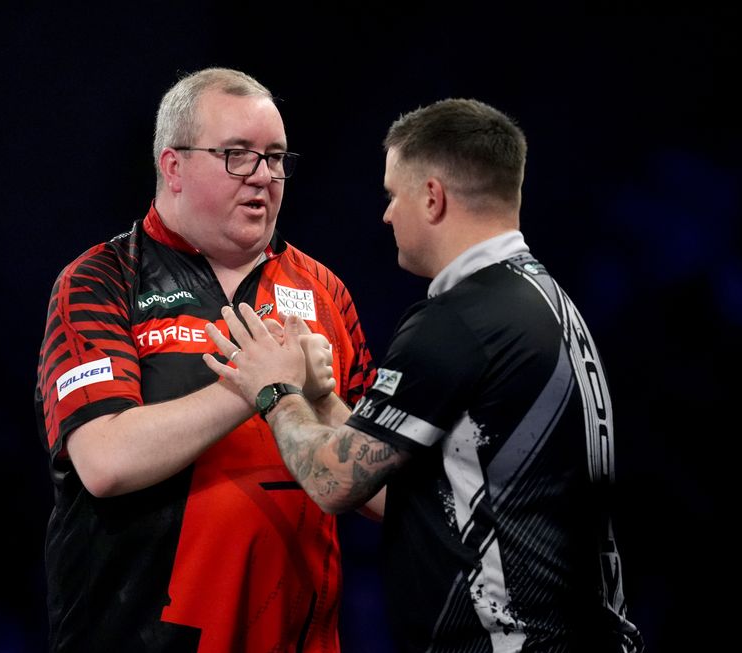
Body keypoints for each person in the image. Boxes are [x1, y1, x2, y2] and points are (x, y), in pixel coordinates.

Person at [204, 99, 644, 652]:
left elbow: (333, 483)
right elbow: (420, 488)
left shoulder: (458, 323)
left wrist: (275, 390)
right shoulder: (547, 304)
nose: (387, 215)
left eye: (394, 195)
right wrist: (321, 399)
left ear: (433, 197)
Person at [34, 67, 374, 652]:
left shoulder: (325, 292)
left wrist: (319, 399)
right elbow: (104, 460)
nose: (263, 176)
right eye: (237, 155)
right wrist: (256, 385)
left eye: (275, 158)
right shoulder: (99, 282)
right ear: (173, 166)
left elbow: (386, 488)